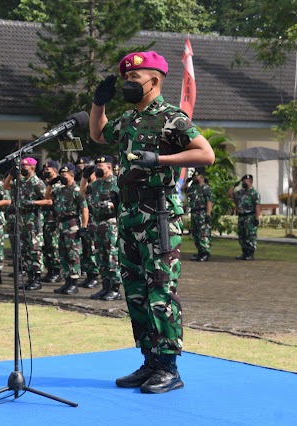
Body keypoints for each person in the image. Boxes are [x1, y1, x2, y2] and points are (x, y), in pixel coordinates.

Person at [90, 50, 215, 393]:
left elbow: (206, 154)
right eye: (127, 79)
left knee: (161, 289)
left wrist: (159, 158)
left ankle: (170, 367)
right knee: (135, 291)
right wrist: (98, 105)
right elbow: (100, 135)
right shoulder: (128, 119)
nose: (129, 83)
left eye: (134, 78)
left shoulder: (172, 118)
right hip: (129, 215)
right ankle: (150, 362)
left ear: (154, 80)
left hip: (158, 215)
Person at [37, 164, 89, 295]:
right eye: (60, 176)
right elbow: (47, 197)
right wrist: (50, 184)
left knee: (73, 254)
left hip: (72, 224)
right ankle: (67, 281)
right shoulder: (59, 190)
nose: (62, 178)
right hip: (60, 225)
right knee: (63, 254)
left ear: (72, 175)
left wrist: (84, 226)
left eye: (64, 176)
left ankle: (74, 282)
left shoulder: (76, 191)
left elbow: (84, 209)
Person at [81, 155, 122, 300]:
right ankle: (105, 287)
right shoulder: (96, 184)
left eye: (100, 167)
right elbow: (82, 193)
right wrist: (85, 178)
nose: (98, 169)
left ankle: (115, 288)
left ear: (109, 167)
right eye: (96, 166)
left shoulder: (116, 182)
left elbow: (122, 201)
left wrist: (109, 205)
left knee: (112, 256)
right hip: (96, 223)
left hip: (110, 224)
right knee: (100, 256)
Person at [4, 157, 46, 291]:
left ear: (32, 168)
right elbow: (5, 186)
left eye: (24, 167)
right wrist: (11, 173)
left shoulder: (37, 183)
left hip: (33, 219)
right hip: (21, 219)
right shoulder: (19, 181)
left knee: (35, 249)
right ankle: (30, 277)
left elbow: (48, 200)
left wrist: (34, 203)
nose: (22, 169)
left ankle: (37, 279)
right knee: (24, 249)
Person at [228, 174, 261, 260]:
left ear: (250, 182)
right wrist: (234, 186)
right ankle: (244, 252)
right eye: (242, 181)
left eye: (245, 181)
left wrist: (257, 218)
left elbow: (257, 206)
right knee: (241, 235)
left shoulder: (254, 193)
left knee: (250, 235)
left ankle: (250, 253)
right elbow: (229, 195)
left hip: (250, 216)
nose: (243, 183)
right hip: (241, 216)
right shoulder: (240, 192)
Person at [182, 168, 213, 262]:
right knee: (196, 233)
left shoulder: (206, 188)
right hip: (194, 212)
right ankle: (200, 251)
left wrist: (208, 214)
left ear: (202, 177)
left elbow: (209, 202)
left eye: (197, 176)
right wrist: (188, 181)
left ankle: (205, 253)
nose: (195, 177)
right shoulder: (193, 187)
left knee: (203, 233)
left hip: (202, 213)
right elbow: (183, 189)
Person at [39, 161, 62, 284]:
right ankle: (50, 270)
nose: (46, 170)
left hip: (54, 218)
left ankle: (57, 272)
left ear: (55, 170)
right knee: (46, 246)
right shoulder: (45, 184)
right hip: (45, 218)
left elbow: (50, 201)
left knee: (54, 246)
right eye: (45, 167)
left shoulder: (58, 185)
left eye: (49, 168)